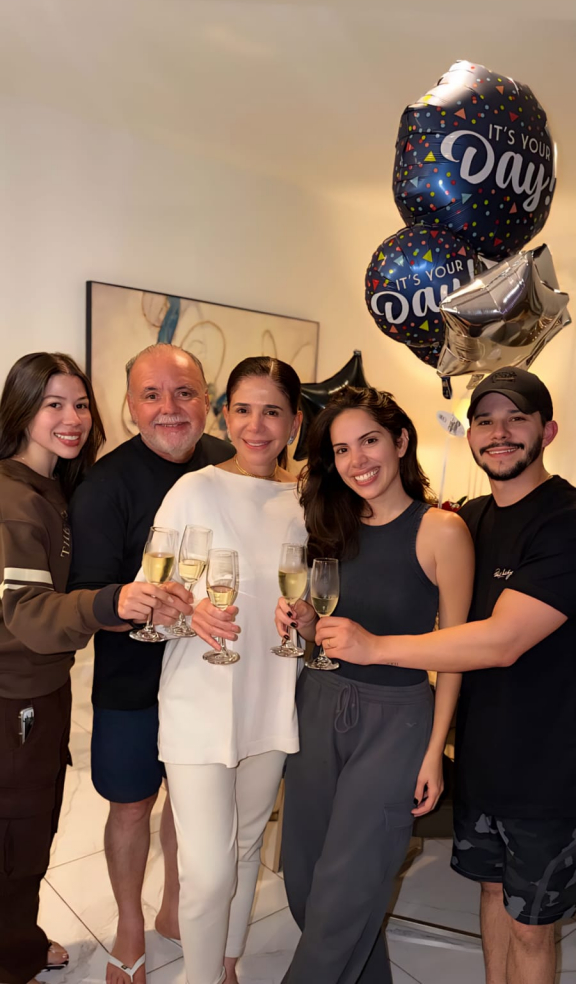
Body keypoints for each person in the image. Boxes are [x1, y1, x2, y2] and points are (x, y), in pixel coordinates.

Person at [323, 367, 576, 984]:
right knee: (490, 896)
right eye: (485, 420)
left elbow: (501, 641)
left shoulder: (565, 520)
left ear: (549, 430)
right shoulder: (469, 519)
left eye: (517, 418)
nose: (499, 433)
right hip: (485, 756)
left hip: (549, 767)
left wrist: (376, 647)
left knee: (531, 924)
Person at [274, 385, 474, 984]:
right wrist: (307, 623)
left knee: (348, 887)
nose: (357, 460)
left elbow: (458, 651)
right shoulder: (331, 522)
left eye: (369, 441)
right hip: (318, 699)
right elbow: (329, 627)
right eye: (341, 450)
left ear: (401, 442)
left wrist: (436, 749)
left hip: (396, 717)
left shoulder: (441, 530)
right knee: (305, 875)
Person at [0, 352, 189, 984]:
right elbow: (26, 611)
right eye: (52, 404)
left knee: (29, 833)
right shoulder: (16, 497)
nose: (71, 417)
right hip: (13, 697)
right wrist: (114, 601)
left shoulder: (53, 486)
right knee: (17, 840)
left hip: (43, 690)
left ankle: (20, 943)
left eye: (80, 404)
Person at [68, 343, 233, 984]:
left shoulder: (229, 464)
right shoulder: (103, 486)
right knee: (133, 804)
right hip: (131, 681)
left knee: (189, 805)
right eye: (152, 395)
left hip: (208, 674)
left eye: (184, 393)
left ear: (206, 401)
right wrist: (134, 605)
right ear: (131, 405)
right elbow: (84, 597)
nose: (170, 408)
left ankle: (174, 908)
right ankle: (130, 923)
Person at [148, 356, 305, 984]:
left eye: (273, 411)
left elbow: (319, 598)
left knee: (244, 848)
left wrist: (306, 614)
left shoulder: (308, 500)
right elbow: (151, 601)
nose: (257, 426)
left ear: (294, 422)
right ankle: (199, 977)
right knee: (207, 869)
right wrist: (190, 618)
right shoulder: (194, 489)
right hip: (198, 698)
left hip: (270, 697)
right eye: (243, 409)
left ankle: (226, 963)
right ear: (225, 414)